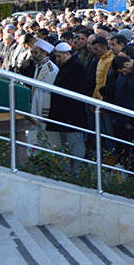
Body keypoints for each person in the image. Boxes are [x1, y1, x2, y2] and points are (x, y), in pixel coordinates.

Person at [46, 42, 89, 172]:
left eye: (59, 56)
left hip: (71, 117)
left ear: (67, 54)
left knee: (75, 146)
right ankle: (69, 170)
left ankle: (77, 171)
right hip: (63, 115)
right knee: (66, 145)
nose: (57, 59)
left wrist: (71, 117)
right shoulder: (67, 66)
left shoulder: (76, 67)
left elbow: (77, 93)